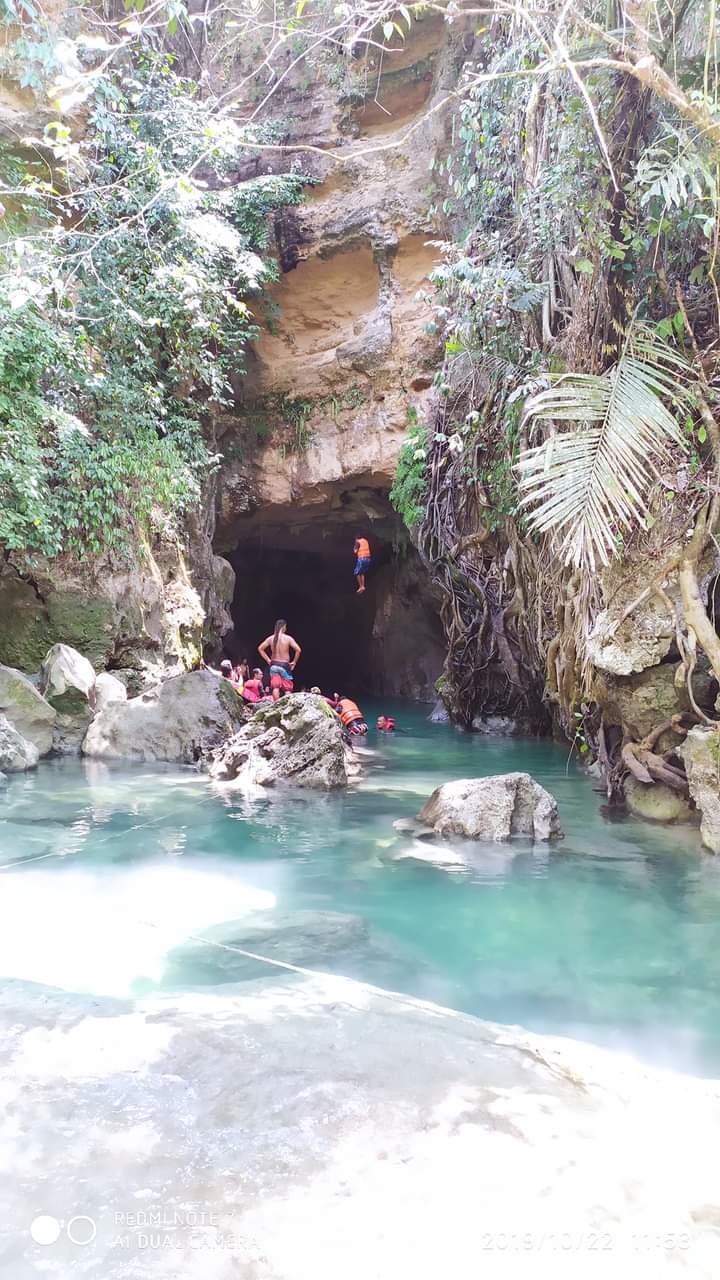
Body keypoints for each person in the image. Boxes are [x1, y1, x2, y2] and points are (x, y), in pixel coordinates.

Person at [258, 619, 302, 701]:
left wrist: (268, 659)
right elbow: (298, 650)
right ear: (283, 626)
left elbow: (260, 648)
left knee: (275, 686)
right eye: (286, 627)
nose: (286, 629)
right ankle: (286, 705)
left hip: (274, 664)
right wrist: (294, 662)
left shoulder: (270, 638)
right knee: (287, 688)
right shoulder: (288, 638)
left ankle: (276, 704)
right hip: (284, 665)